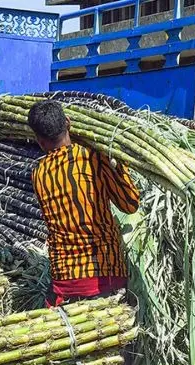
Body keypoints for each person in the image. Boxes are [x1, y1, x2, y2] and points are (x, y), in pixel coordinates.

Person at [27, 99, 140, 307]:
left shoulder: (38, 174)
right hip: (105, 277)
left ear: (40, 142)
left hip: (64, 282)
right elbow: (130, 204)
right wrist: (115, 163)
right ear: (68, 123)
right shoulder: (93, 157)